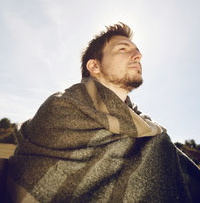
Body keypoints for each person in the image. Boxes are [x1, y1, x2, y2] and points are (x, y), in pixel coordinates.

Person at [7, 23, 200, 202]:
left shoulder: (148, 131)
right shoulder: (62, 106)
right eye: (123, 49)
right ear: (94, 66)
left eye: (138, 52)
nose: (137, 56)